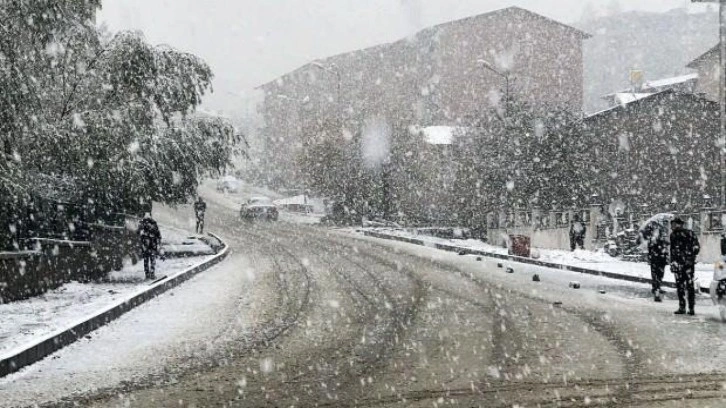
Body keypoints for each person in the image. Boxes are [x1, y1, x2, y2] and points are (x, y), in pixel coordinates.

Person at [669, 217, 700, 315]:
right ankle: (685, 307)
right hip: (681, 264)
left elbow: (696, 247)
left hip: (685, 264)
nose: (672, 226)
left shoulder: (687, 234)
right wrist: (673, 261)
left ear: (680, 224)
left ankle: (688, 307)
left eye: (674, 224)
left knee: (686, 286)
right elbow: (672, 250)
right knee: (683, 286)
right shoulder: (673, 235)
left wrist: (689, 255)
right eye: (672, 224)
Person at [641, 223, 668, 302]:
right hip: (656, 259)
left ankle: (656, 288)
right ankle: (656, 291)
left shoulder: (660, 239)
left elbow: (663, 247)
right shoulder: (653, 239)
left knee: (660, 274)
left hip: (661, 259)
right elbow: (651, 249)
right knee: (656, 275)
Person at [137, 213, 161, 280]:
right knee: (150, 260)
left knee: (147, 261)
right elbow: (158, 235)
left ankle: (149, 274)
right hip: (149, 245)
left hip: (147, 245)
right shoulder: (151, 224)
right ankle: (151, 274)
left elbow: (158, 234)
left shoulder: (143, 224)